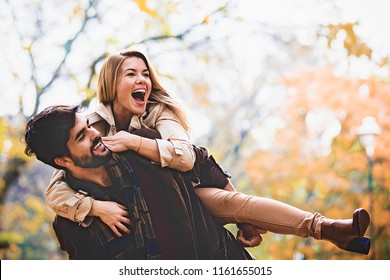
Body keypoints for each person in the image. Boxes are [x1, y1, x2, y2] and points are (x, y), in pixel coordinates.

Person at [45, 49, 371, 255]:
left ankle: (329, 228)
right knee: (237, 206)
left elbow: (188, 156)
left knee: (235, 203)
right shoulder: (90, 126)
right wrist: (95, 207)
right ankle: (332, 232)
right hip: (143, 211)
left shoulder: (160, 112)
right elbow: (57, 189)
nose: (142, 79)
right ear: (111, 84)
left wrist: (134, 142)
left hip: (183, 192)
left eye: (145, 73)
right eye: (131, 74)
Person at [24, 105, 254, 260]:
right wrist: (94, 208)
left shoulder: (137, 148)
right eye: (81, 136)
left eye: (88, 126)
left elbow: (199, 160)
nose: (94, 134)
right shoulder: (70, 225)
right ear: (63, 160)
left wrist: (243, 217)